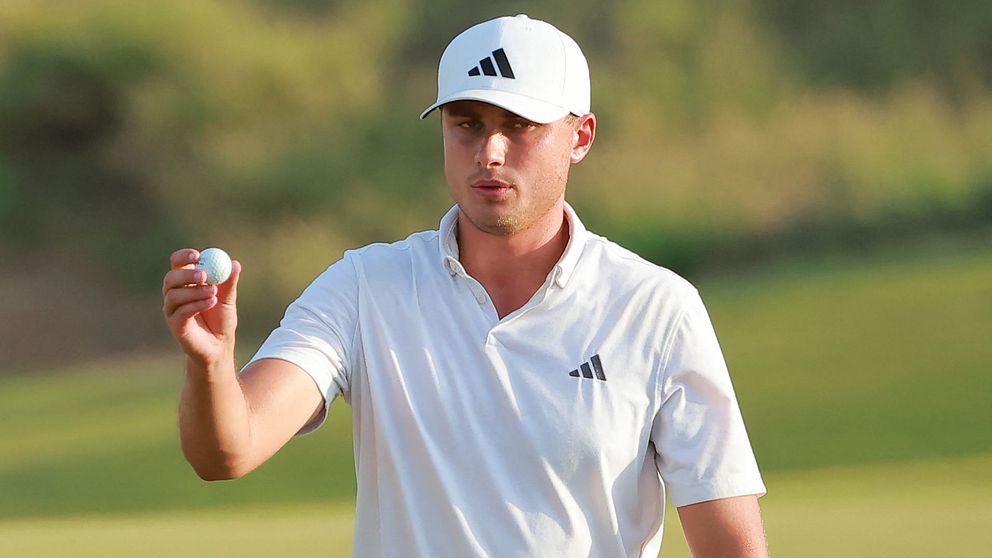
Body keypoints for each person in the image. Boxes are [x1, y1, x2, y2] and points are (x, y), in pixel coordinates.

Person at [162, 14, 768, 557]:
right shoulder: (364, 287)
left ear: (580, 137)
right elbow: (228, 452)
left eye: (520, 126)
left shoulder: (656, 309)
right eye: (468, 125)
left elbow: (730, 546)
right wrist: (210, 365)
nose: (490, 153)